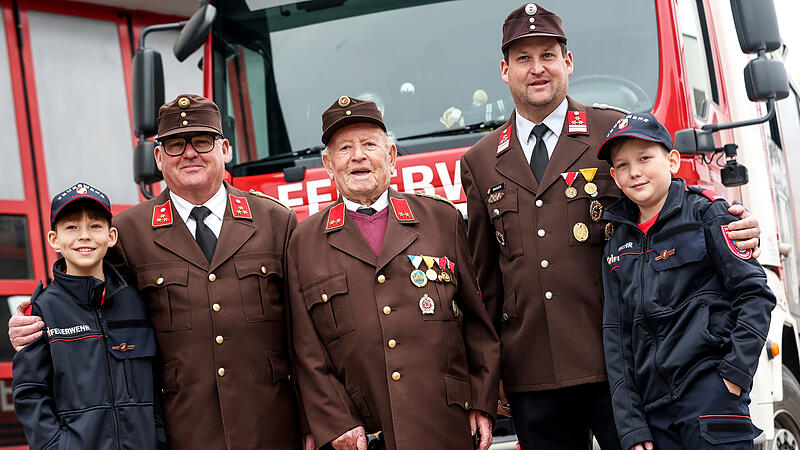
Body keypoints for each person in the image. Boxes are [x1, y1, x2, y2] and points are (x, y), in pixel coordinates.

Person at [459, 3, 762, 449]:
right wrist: (490, 379)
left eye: (548, 55)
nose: (537, 69)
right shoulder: (480, 161)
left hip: (623, 368)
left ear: (569, 62)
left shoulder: (612, 133)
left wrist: (725, 220)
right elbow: (484, 282)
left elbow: (665, 203)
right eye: (523, 58)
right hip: (532, 371)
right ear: (505, 70)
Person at [9, 95, 311, 450]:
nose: (189, 153)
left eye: (201, 141)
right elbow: (86, 299)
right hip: (182, 432)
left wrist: (312, 426)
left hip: (272, 428)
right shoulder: (129, 232)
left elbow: (304, 335)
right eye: (174, 145)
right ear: (157, 157)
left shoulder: (275, 221)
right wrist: (35, 321)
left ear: (225, 149)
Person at [287, 96, 501, 450]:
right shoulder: (304, 242)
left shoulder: (442, 220)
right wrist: (336, 421)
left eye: (369, 144)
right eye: (345, 148)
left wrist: (482, 400)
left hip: (445, 423)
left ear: (390, 156)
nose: (358, 156)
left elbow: (479, 325)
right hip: (363, 435)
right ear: (328, 163)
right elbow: (306, 351)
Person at [598, 114, 774, 449]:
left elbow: (755, 296)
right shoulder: (615, 244)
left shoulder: (709, 214)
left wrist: (733, 376)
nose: (634, 171)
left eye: (645, 158)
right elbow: (616, 339)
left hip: (712, 399)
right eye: (623, 165)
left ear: (673, 160)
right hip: (654, 415)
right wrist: (632, 427)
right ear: (615, 178)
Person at [12, 183, 166, 450]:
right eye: (71, 227)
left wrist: (159, 440)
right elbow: (30, 393)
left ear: (111, 236)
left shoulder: (138, 301)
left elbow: (155, 385)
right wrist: (55, 446)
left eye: (95, 226)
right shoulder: (43, 310)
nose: (84, 236)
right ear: (54, 239)